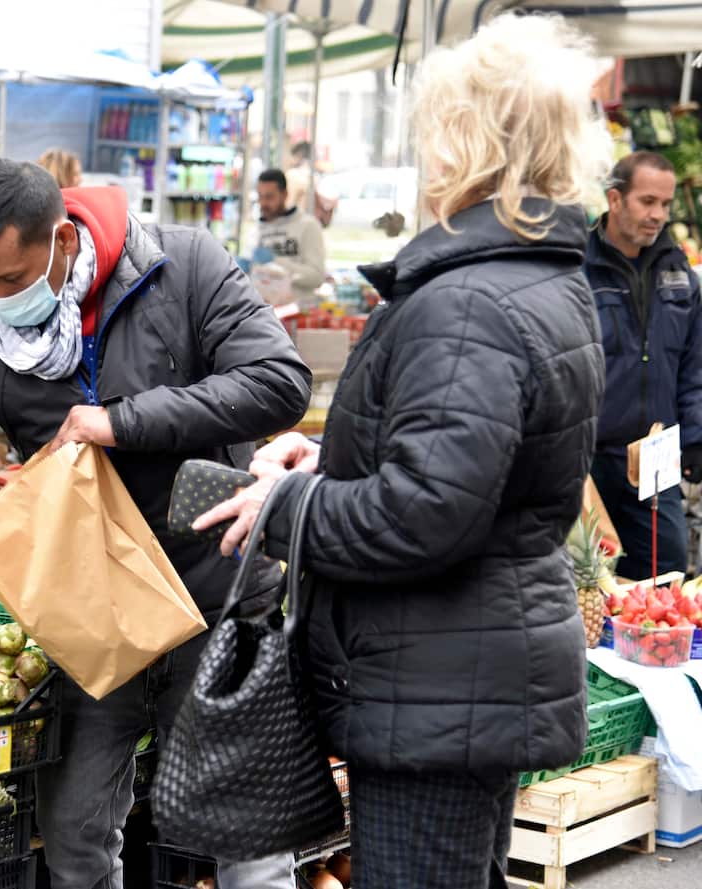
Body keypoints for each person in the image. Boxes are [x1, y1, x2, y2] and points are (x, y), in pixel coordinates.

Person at [0, 158, 312, 889]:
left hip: (217, 596)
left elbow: (277, 381)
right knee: (74, 841)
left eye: (11, 279)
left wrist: (122, 422)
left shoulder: (184, 265)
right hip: (91, 616)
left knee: (250, 845)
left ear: (64, 240)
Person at [195, 15, 606, 889]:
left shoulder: (466, 305)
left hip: (434, 681)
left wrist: (284, 508)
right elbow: (470, 473)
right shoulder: (542, 279)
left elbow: (424, 514)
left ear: (466, 141)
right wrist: (333, 465)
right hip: (473, 667)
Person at [584, 150, 702, 581]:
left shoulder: (678, 272)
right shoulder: (578, 270)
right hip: (587, 458)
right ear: (615, 199)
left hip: (656, 452)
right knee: (588, 579)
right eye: (647, 201)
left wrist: (696, 435)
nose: (658, 215)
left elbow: (694, 363)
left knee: (666, 571)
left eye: (666, 205)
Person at [255, 168, 327, 309]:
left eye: (269, 197)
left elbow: (316, 277)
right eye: (260, 196)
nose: (263, 203)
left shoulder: (308, 226)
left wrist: (277, 263)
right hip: (266, 314)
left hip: (297, 313)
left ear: (284, 195)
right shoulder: (258, 229)